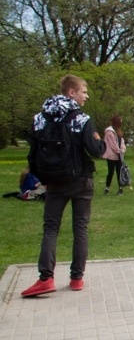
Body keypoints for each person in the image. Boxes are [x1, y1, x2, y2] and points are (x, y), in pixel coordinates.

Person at [21, 74, 106, 297]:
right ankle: (76, 278)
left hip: (54, 183)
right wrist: (102, 140)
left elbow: (33, 154)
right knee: (80, 228)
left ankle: (46, 278)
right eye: (84, 92)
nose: (86, 96)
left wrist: (43, 177)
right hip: (81, 181)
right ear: (71, 92)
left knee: (50, 228)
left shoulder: (40, 119)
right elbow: (96, 150)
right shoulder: (81, 119)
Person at [103, 115, 127, 196]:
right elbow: (113, 144)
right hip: (111, 156)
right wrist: (119, 151)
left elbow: (122, 141)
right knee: (111, 172)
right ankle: (107, 188)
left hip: (119, 155)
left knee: (119, 172)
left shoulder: (118, 131)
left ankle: (120, 188)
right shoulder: (109, 132)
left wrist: (123, 150)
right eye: (120, 121)